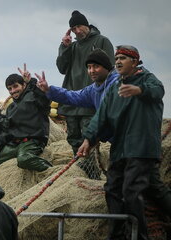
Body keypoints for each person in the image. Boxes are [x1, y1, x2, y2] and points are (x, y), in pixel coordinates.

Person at [77, 45, 165, 240]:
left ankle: (139, 236)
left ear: (134, 62)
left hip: (141, 149)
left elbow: (158, 91)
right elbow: (101, 116)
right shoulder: (114, 88)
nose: (118, 61)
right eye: (116, 57)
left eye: (123, 58)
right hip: (120, 149)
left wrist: (139, 90)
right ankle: (116, 235)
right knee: (112, 190)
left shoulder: (147, 79)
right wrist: (88, 139)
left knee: (131, 191)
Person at [56, 10, 114, 178]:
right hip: (72, 100)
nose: (77, 31)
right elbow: (61, 68)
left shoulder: (102, 41)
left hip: (91, 100)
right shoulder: (72, 46)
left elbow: (111, 70)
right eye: (73, 29)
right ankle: (87, 172)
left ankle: (94, 175)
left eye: (79, 26)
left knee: (88, 137)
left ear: (87, 25)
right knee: (73, 138)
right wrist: (64, 47)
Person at [0, 65, 52, 172]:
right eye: (10, 88)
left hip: (33, 141)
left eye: (15, 86)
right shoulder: (11, 108)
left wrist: (31, 81)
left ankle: (52, 171)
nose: (13, 91)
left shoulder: (33, 96)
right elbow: (7, 130)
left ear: (23, 85)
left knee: (23, 160)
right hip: (16, 144)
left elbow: (45, 102)